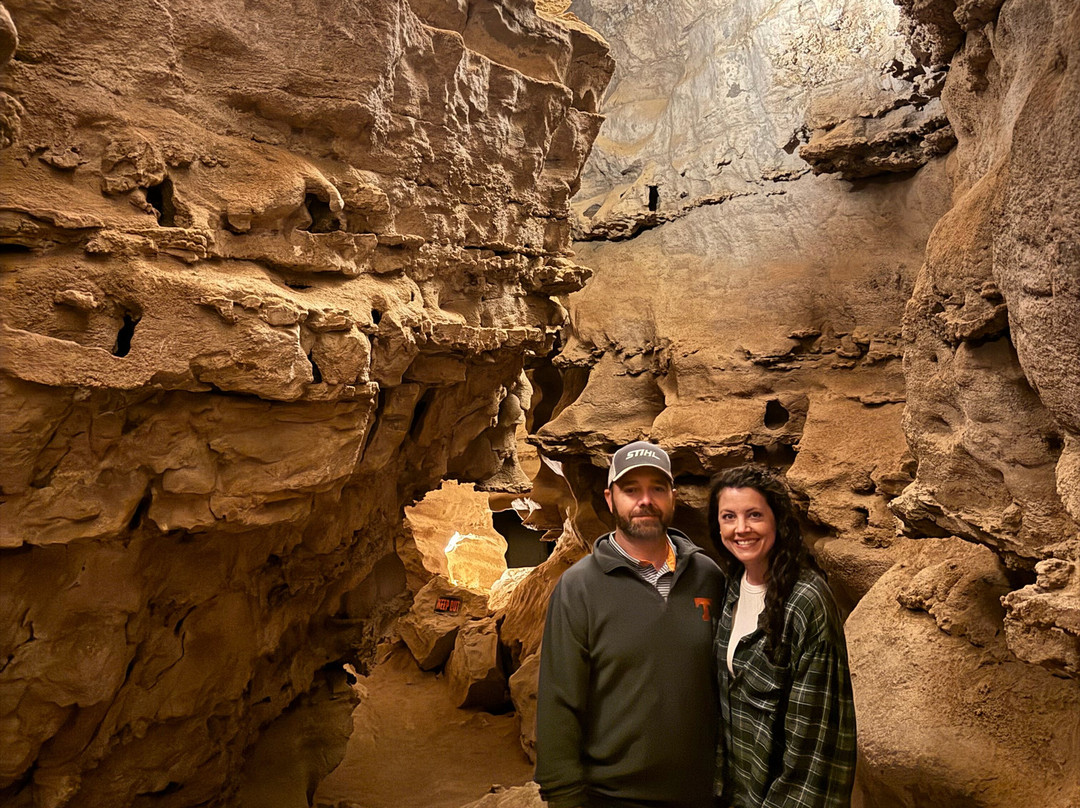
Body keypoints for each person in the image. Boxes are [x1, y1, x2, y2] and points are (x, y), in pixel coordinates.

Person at [535, 440, 726, 808]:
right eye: (631, 489)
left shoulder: (708, 576)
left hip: (702, 794)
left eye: (657, 488)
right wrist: (564, 797)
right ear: (610, 499)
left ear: (672, 496)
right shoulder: (579, 587)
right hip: (612, 798)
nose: (645, 500)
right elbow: (559, 702)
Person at [708, 465, 856, 808]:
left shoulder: (805, 601)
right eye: (728, 516)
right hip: (736, 793)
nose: (741, 528)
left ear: (777, 520)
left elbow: (814, 745)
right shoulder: (731, 586)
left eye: (754, 515)